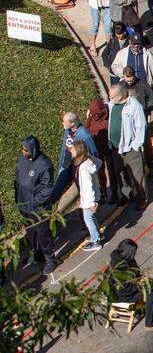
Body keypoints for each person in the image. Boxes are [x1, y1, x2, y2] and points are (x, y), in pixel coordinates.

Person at [14, 136, 56, 274]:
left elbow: (47, 188)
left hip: (38, 208)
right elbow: (17, 176)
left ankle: (50, 259)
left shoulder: (44, 165)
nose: (23, 152)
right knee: (31, 232)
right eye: (22, 149)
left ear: (33, 149)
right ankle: (38, 254)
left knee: (43, 234)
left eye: (25, 150)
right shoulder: (22, 159)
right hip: (24, 205)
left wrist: (34, 201)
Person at [107, 84, 147, 209]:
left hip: (130, 148)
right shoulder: (113, 104)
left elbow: (141, 126)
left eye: (111, 96)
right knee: (121, 173)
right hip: (115, 147)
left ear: (119, 96)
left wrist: (136, 145)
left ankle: (142, 199)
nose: (109, 98)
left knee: (137, 175)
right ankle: (127, 195)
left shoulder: (134, 106)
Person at [66, 139, 103, 254]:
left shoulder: (83, 168)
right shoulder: (89, 160)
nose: (70, 151)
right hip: (93, 197)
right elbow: (99, 163)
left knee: (88, 219)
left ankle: (95, 241)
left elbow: (87, 186)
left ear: (78, 150)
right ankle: (97, 235)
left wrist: (91, 203)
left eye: (72, 149)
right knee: (92, 218)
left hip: (89, 199)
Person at [53, 111, 98, 202]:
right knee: (57, 190)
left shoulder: (84, 135)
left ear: (72, 124)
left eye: (64, 121)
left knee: (83, 190)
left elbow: (93, 152)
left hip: (77, 167)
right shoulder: (67, 131)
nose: (62, 123)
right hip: (66, 164)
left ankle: (87, 208)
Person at [85, 97, 110, 196]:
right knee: (100, 171)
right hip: (97, 149)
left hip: (107, 148)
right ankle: (103, 191)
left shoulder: (107, 119)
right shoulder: (92, 118)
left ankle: (113, 191)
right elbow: (87, 129)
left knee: (111, 171)